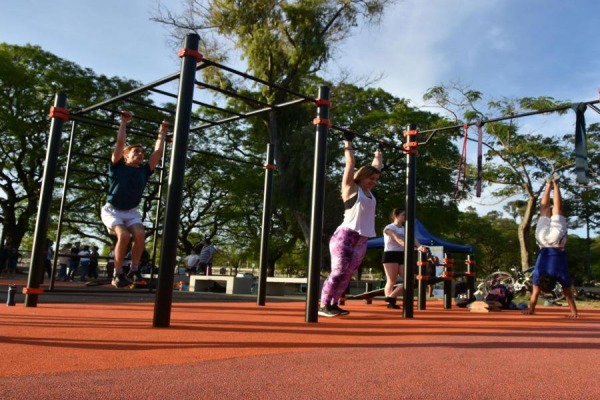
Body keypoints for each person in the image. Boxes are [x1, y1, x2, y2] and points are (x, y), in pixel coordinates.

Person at [100, 111, 168, 288]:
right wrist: (123, 122)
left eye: (141, 152)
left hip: (130, 211)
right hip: (112, 209)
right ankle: (117, 273)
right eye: (135, 151)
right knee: (124, 235)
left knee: (139, 234)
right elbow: (120, 142)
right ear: (126, 155)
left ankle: (134, 270)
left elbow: (158, 152)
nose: (140, 153)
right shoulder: (117, 167)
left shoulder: (144, 170)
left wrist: (162, 133)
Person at [318, 135, 383, 318]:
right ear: (361, 177)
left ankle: (334, 304)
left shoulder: (369, 193)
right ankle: (323, 305)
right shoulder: (351, 188)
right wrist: (348, 142)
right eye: (370, 178)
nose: (373, 182)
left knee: (347, 274)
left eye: (376, 179)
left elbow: (377, 166)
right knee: (338, 271)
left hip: (362, 240)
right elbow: (350, 163)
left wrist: (379, 151)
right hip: (345, 236)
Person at [523, 175, 578, 318]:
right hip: (542, 242)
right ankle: (548, 184)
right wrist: (531, 310)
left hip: (557, 242)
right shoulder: (538, 275)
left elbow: (568, 295)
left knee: (557, 210)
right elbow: (534, 295)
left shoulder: (561, 275)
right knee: (544, 211)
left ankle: (556, 184)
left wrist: (574, 312)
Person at [381, 208, 427, 309]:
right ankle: (391, 303)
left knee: (410, 279)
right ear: (396, 216)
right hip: (390, 254)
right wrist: (413, 247)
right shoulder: (389, 227)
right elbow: (398, 240)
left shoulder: (405, 228)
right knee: (391, 281)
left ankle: (390, 297)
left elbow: (414, 239)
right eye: (403, 215)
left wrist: (420, 246)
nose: (405, 217)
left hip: (402, 254)